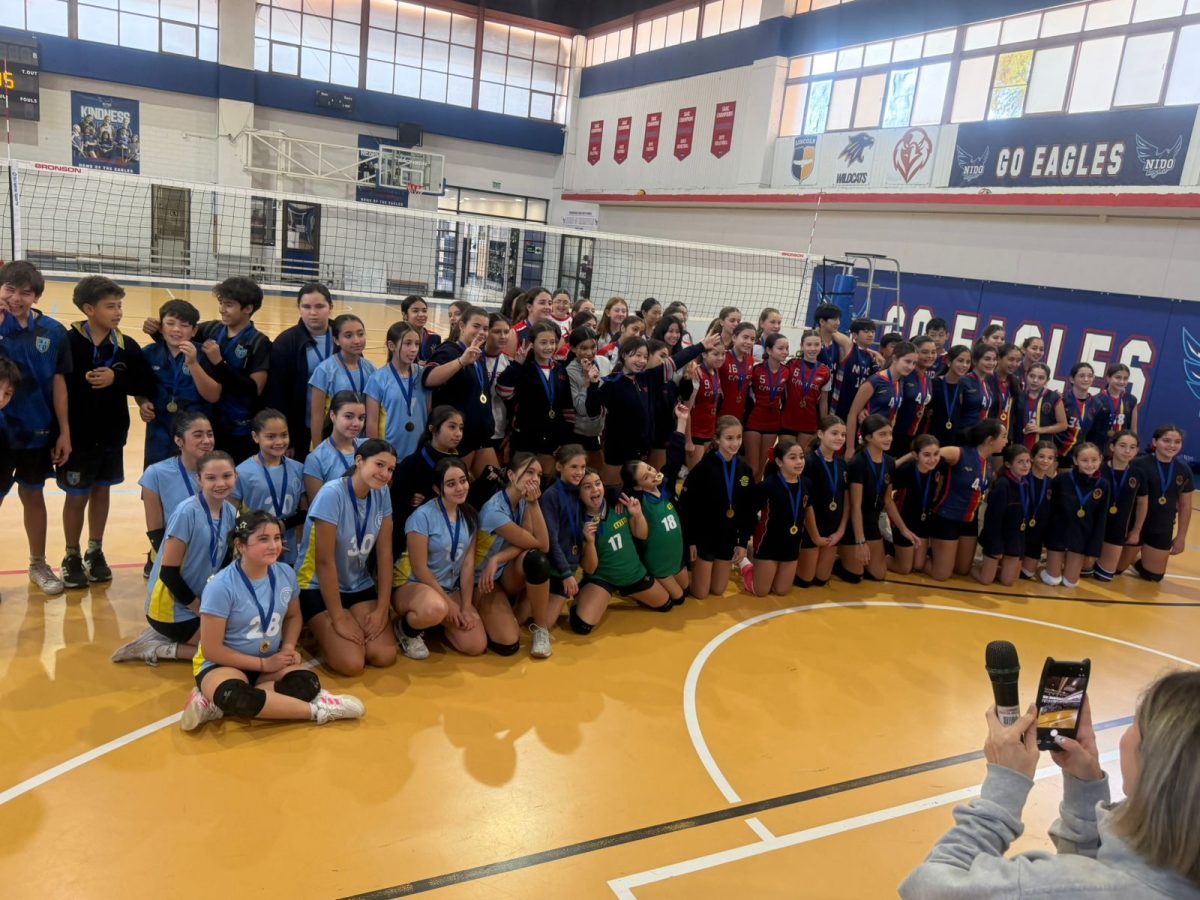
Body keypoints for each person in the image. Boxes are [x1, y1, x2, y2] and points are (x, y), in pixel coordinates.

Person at [900, 670, 1200, 899]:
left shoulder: (1051, 888)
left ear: (1157, 762)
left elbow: (929, 885)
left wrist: (1004, 789)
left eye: (1136, 722)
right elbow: (1101, 874)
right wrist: (1086, 786)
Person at [182, 510, 365, 731]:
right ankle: (320, 711)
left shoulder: (285, 573)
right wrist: (263, 664)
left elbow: (293, 615)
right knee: (237, 695)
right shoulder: (220, 586)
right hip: (224, 665)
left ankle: (214, 703)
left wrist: (287, 648)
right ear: (240, 546)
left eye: (277, 538)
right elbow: (211, 650)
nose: (273, 545)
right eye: (263, 539)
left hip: (270, 660)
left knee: (307, 684)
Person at [57, 276, 151, 589]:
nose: (118, 312)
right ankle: (71, 554)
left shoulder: (126, 346)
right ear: (88, 309)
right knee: (76, 496)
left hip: (111, 436)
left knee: (102, 491)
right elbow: (56, 387)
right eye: (110, 306)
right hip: (77, 437)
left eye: (120, 305)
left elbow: (143, 383)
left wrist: (118, 380)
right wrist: (62, 433)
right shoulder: (68, 343)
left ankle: (94, 550)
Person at [112, 451, 238, 666]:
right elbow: (168, 573)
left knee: (243, 639)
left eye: (227, 476)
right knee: (225, 652)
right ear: (199, 480)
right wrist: (198, 607)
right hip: (171, 608)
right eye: (211, 478)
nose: (220, 483)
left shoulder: (229, 511)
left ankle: (179, 637)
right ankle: (159, 647)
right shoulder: (186, 513)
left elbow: (224, 563)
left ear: (235, 477)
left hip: (200, 602)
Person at [0, 260, 72, 595]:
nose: (16, 297)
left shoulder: (54, 333)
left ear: (36, 296)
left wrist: (64, 431)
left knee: (33, 494)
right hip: (1, 432)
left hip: (37, 430)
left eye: (24, 292)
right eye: (9, 289)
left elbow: (59, 384)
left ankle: (38, 564)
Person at [296, 439, 397, 676]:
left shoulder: (382, 494)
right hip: (317, 585)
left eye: (390, 469)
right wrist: (338, 617)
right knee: (351, 664)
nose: (384, 474)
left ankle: (354, 620)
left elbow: (385, 554)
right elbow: (324, 562)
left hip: (357, 582)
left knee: (383, 655)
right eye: (379, 465)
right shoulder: (331, 494)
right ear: (359, 461)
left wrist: (383, 609)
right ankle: (324, 627)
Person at [153, 276, 271, 463]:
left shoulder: (259, 343)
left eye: (229, 305)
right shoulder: (211, 329)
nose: (222, 309)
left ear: (248, 309)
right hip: (207, 422)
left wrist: (220, 364)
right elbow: (179, 338)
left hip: (238, 428)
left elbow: (253, 390)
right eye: (221, 303)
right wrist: (156, 331)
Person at [392, 457, 487, 658]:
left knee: (475, 645)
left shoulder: (470, 516)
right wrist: (449, 604)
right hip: (412, 584)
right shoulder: (422, 517)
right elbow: (420, 569)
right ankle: (406, 630)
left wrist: (466, 605)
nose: (460, 488)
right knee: (437, 607)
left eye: (463, 480)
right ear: (437, 488)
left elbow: (468, 565)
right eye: (451, 484)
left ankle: (436, 623)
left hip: (448, 587)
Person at [599, 331, 717, 484]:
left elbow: (676, 360)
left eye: (645, 357)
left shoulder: (648, 378)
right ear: (624, 355)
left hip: (642, 451)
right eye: (637, 355)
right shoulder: (611, 383)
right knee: (613, 495)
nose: (641, 360)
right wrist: (592, 385)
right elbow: (591, 410)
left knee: (640, 495)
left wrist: (700, 347)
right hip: (618, 452)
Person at [570, 469, 670, 634]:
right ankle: (584, 596)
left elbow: (642, 535)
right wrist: (589, 542)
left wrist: (637, 515)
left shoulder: (617, 505)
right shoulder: (579, 523)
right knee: (582, 626)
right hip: (603, 578)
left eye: (597, 484)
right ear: (579, 494)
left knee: (666, 604)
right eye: (587, 487)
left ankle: (628, 592)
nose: (595, 490)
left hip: (633, 574)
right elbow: (590, 569)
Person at [474, 453, 554, 659]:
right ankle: (497, 611)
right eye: (529, 472)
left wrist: (498, 558)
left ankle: (541, 629)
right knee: (508, 643)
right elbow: (535, 541)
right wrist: (495, 560)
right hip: (483, 580)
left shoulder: (526, 501)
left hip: (505, 570)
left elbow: (541, 545)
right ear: (511, 474)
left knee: (536, 559)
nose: (535, 478)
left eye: (539, 474)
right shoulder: (494, 510)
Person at [498, 320, 595, 470]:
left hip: (552, 441)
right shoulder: (523, 368)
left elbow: (568, 409)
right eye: (543, 343)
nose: (549, 347)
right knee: (525, 485)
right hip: (525, 439)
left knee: (545, 484)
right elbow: (504, 392)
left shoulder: (560, 370)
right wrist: (516, 365)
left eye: (552, 342)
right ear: (533, 343)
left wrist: (563, 440)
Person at [680, 415, 757, 599]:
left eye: (738, 437)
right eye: (729, 438)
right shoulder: (704, 468)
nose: (735, 443)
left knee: (718, 590)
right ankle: (688, 571)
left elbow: (749, 510)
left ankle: (740, 566)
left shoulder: (745, 470)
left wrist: (742, 543)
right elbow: (687, 506)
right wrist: (690, 541)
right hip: (704, 537)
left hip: (728, 538)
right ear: (717, 439)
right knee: (700, 594)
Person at [622, 402, 691, 605]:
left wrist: (682, 421)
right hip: (659, 564)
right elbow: (614, 491)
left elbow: (675, 457)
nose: (653, 474)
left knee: (686, 590)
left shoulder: (666, 486)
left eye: (650, 469)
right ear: (638, 487)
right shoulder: (640, 501)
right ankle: (650, 581)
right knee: (676, 600)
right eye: (646, 476)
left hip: (677, 559)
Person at [139, 298, 219, 467]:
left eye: (184, 325)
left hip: (194, 431)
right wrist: (143, 403)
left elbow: (213, 396)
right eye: (170, 323)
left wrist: (193, 364)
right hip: (159, 428)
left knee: (195, 481)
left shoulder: (204, 355)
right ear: (160, 327)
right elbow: (140, 388)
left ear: (194, 330)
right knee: (156, 479)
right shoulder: (148, 354)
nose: (176, 329)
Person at [925, 419, 1008, 581]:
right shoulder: (959, 453)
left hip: (969, 521)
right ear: (990, 440)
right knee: (942, 575)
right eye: (1003, 436)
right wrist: (895, 464)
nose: (1006, 441)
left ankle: (939, 553)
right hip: (946, 517)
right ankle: (919, 558)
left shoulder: (990, 463)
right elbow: (924, 452)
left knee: (962, 570)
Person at [840, 415, 918, 584]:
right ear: (868, 437)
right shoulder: (858, 463)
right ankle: (839, 558)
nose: (888, 438)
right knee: (855, 576)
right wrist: (860, 542)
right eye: (882, 434)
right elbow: (855, 506)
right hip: (854, 527)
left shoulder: (889, 462)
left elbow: (888, 501)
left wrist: (904, 529)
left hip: (872, 524)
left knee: (878, 575)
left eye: (890, 433)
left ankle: (876, 549)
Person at [423, 306, 499, 477]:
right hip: (459, 440)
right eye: (476, 326)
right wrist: (461, 361)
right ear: (462, 326)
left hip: (481, 438)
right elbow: (428, 378)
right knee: (458, 491)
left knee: (494, 487)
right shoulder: (449, 350)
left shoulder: (478, 355)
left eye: (485, 328)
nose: (481, 332)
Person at [263, 282, 334, 462]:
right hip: (301, 429)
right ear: (299, 308)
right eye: (306, 306)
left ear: (330, 307)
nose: (313, 312)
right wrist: (288, 438)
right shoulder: (286, 343)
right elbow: (278, 395)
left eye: (319, 306)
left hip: (339, 427)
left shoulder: (345, 336)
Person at [138, 411, 214, 576]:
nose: (207, 441)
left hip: (213, 554)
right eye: (198, 435)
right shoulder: (156, 474)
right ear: (179, 440)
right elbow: (155, 532)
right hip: (174, 556)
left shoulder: (222, 471)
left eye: (210, 434)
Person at [233, 409, 306, 566]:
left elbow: (306, 513)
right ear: (255, 437)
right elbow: (232, 517)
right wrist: (262, 536)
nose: (279, 442)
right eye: (271, 437)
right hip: (256, 549)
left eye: (284, 435)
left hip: (290, 551)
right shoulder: (242, 472)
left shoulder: (299, 469)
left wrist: (283, 526)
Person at [388, 404, 464, 558]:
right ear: (433, 429)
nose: (458, 434)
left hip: (449, 535)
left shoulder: (458, 464)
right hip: (412, 542)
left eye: (461, 428)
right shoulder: (411, 464)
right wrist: (409, 500)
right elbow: (393, 503)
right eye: (452, 427)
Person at [749, 436, 811, 597]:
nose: (799, 462)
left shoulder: (806, 484)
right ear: (779, 462)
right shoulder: (767, 486)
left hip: (791, 544)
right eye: (793, 458)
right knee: (761, 592)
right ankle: (746, 562)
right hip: (768, 544)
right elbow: (749, 513)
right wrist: (742, 542)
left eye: (801, 457)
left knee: (781, 591)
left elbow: (807, 512)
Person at [1130, 424, 1192, 582]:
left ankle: (1141, 556)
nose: (1172, 445)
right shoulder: (1138, 464)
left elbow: (1185, 506)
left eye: (1177, 442)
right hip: (1134, 524)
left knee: (1153, 577)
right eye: (1166, 441)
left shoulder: (1184, 470)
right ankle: (1127, 554)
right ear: (1155, 442)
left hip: (1161, 527)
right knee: (1114, 569)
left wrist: (1181, 537)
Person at [307, 313, 375, 452]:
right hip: (333, 443)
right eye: (348, 336)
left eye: (360, 334)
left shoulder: (370, 368)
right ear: (336, 340)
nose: (356, 340)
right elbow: (317, 416)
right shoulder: (325, 370)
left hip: (360, 444)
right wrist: (319, 450)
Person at [796, 415, 849, 587]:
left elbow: (847, 502)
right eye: (834, 433)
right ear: (820, 434)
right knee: (806, 580)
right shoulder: (809, 462)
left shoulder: (842, 465)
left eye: (843, 435)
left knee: (821, 580)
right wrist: (816, 536)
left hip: (832, 531)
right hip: (811, 530)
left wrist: (840, 532)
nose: (839, 438)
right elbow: (806, 504)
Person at [541, 444, 588, 633]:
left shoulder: (580, 490)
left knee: (547, 622)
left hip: (571, 565)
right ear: (559, 467)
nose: (579, 472)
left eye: (583, 467)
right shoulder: (550, 496)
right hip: (553, 569)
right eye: (574, 467)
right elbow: (551, 539)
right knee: (538, 622)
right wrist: (566, 574)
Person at [366, 320, 428, 461]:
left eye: (416, 344)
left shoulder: (423, 375)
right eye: (407, 343)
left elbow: (428, 412)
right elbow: (372, 422)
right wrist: (377, 457)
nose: (413, 349)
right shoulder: (377, 379)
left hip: (419, 454)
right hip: (389, 455)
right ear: (391, 346)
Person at [975, 444, 1031, 587]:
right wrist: (996, 546)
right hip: (997, 537)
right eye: (1020, 462)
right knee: (986, 580)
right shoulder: (1002, 485)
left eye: (1028, 461)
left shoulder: (1025, 483)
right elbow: (992, 520)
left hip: (1014, 538)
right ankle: (970, 567)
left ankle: (997, 569)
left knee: (1008, 582)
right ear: (1008, 464)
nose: (1025, 465)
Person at [1094, 430, 1145, 582]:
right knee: (1084, 570)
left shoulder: (1138, 474)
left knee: (1104, 577)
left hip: (1117, 530)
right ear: (1112, 447)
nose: (1127, 451)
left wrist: (1136, 531)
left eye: (1132, 447)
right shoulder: (1097, 470)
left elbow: (1142, 503)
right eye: (1122, 446)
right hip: (1092, 528)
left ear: (1137, 450)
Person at [888, 434, 942, 576]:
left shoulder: (938, 468)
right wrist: (903, 528)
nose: (932, 459)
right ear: (915, 455)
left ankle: (896, 549)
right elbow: (887, 498)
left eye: (936, 454)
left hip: (922, 522)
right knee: (905, 569)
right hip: (903, 522)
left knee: (918, 565)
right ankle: (882, 554)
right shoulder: (906, 471)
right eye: (926, 455)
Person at [845, 340, 916, 449]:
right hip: (865, 441)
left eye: (914, 363)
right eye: (907, 361)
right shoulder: (875, 381)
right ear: (895, 358)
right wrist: (850, 448)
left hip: (883, 441)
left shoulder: (900, 381)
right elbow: (852, 414)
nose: (911, 367)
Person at [303, 391, 365, 502]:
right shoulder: (316, 459)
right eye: (349, 416)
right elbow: (318, 509)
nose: (356, 423)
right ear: (333, 416)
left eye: (361, 418)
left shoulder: (368, 447)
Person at [744, 333, 790, 479]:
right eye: (780, 348)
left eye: (787, 348)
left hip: (773, 422)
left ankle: (754, 500)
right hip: (753, 421)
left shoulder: (787, 371)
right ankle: (742, 496)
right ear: (769, 351)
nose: (785, 352)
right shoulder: (756, 369)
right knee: (752, 467)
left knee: (761, 469)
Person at [780, 329, 833, 450]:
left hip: (809, 422)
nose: (812, 348)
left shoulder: (825, 371)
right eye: (808, 344)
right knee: (786, 456)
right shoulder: (791, 364)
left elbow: (824, 401)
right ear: (801, 346)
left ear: (821, 346)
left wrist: (824, 426)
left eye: (816, 344)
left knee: (802, 459)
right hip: (788, 419)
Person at [565, 326, 607, 471]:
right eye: (583, 348)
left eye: (593, 347)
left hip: (599, 431)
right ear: (572, 348)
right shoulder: (570, 372)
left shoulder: (604, 363)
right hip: (579, 435)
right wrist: (586, 380)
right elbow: (582, 408)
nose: (589, 353)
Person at [892, 334, 936, 457]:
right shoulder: (904, 374)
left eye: (933, 352)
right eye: (925, 352)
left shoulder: (927, 378)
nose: (930, 356)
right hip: (894, 434)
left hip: (913, 438)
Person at [1020, 440, 1058, 580]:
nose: (1045, 461)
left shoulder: (1052, 484)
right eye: (1041, 456)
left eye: (1050, 458)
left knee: (1026, 574)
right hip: (1018, 533)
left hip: (1036, 537)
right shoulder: (1022, 478)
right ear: (1032, 457)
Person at [831, 317, 880, 422]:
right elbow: (832, 332)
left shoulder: (871, 358)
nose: (870, 335)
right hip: (840, 406)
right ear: (855, 335)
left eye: (872, 331)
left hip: (858, 408)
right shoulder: (849, 347)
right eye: (866, 331)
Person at [686, 341, 726, 469]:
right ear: (703, 354)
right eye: (716, 354)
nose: (720, 357)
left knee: (704, 475)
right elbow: (686, 409)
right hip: (695, 433)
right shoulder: (697, 373)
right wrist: (688, 440)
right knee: (694, 476)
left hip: (709, 432)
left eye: (723, 354)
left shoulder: (716, 372)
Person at [1056, 363, 1101, 466]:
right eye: (1081, 376)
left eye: (1090, 376)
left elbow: (1093, 435)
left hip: (1077, 457)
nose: (1086, 379)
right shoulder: (1061, 400)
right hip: (1055, 453)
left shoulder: (1097, 404)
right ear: (1072, 379)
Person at [928, 345, 973, 443]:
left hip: (955, 441)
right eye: (960, 361)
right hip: (932, 439)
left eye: (968, 362)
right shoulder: (933, 384)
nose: (965, 365)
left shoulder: (966, 387)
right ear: (948, 362)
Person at [1091, 363, 1139, 453]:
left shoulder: (1131, 400)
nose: (1121, 381)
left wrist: (1134, 446)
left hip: (1122, 449)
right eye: (1118, 377)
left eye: (1125, 378)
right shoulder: (1096, 400)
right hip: (1099, 446)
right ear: (1108, 378)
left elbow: (1133, 428)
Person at [1021, 362, 1067, 450]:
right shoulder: (1018, 395)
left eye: (1040, 378)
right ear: (1026, 375)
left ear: (1047, 380)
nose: (1035, 380)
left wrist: (1041, 429)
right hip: (1020, 443)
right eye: (1032, 376)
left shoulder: (1053, 397)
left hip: (1043, 446)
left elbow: (1063, 425)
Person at [716, 322, 756, 419]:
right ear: (734, 338)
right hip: (719, 413)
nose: (749, 342)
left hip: (739, 414)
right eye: (745, 337)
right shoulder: (722, 357)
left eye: (752, 339)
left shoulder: (751, 360)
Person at [401, 295, 441, 362]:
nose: (421, 314)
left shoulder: (435, 337)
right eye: (415, 311)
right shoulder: (398, 337)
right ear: (405, 315)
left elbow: (438, 363)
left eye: (424, 311)